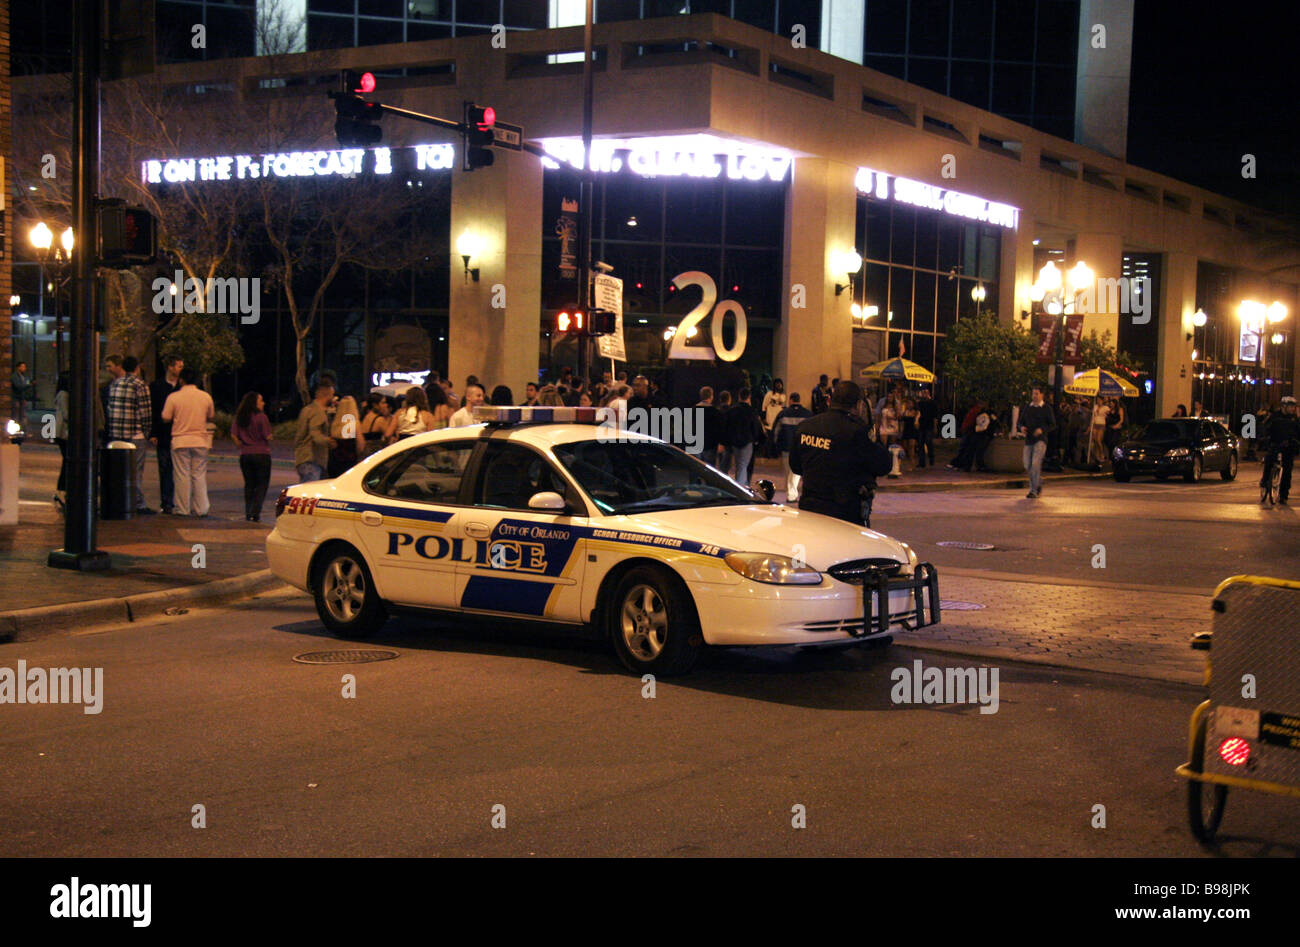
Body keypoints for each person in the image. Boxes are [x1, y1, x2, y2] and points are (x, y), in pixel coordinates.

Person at [789, 381, 893, 526]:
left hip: (810, 508)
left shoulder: (806, 426)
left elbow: (796, 466)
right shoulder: (858, 431)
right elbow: (884, 465)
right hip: (844, 512)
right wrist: (872, 432)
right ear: (858, 405)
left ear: (830, 400)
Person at [105, 355, 155, 515]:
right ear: (137, 368)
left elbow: (110, 408)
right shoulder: (140, 385)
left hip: (117, 433)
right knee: (136, 471)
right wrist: (147, 432)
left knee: (120, 471)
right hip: (135, 434)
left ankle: (120, 500)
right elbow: (146, 412)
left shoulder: (115, 384)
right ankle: (138, 503)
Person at [161, 368, 214, 516]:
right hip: (200, 440)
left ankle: (182, 508)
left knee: (181, 474)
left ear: (181, 380)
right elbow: (211, 415)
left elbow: (166, 416)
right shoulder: (205, 397)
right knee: (199, 474)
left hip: (180, 439)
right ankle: (201, 508)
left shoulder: (174, 397)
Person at [232, 391, 273, 522]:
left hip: (245, 454)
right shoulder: (261, 417)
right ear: (254, 403)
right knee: (262, 484)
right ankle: (255, 511)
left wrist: (240, 443)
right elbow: (268, 436)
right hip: (262, 453)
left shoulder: (240, 417)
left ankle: (248, 511)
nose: (263, 403)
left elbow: (234, 434)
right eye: (261, 401)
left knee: (249, 484)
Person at [149, 355, 183, 514]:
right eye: (178, 366)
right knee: (164, 468)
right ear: (170, 367)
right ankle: (166, 502)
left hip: (179, 432)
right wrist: (153, 432)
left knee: (179, 470)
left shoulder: (182, 387)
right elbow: (154, 411)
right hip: (163, 433)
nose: (180, 369)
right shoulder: (157, 386)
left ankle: (177, 500)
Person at [294, 379, 337, 482]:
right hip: (312, 460)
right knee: (310, 494)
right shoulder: (318, 412)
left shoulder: (307, 410)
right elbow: (316, 435)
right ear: (326, 394)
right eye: (332, 395)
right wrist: (329, 441)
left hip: (303, 458)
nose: (333, 398)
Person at [1018, 385, 1056, 498]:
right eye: (1033, 393)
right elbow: (1020, 422)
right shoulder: (1027, 407)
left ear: (1041, 395)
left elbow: (1053, 424)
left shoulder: (1046, 408)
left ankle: (1033, 490)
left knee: (1035, 464)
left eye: (1036, 394)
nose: (1034, 396)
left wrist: (1042, 430)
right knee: (1027, 464)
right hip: (1029, 439)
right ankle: (1038, 482)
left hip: (1040, 440)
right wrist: (1021, 428)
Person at [1260, 395, 1300, 505]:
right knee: (1269, 461)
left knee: (1287, 470)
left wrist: (1295, 441)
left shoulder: (1294, 419)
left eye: (1294, 407)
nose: (1293, 409)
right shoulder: (1275, 416)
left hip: (1289, 446)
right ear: (1284, 406)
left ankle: (1284, 495)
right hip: (1275, 443)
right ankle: (1265, 481)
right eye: (1291, 406)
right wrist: (1265, 438)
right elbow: (1265, 428)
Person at [774, 392, 811, 501]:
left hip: (786, 446)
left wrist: (776, 444)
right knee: (796, 472)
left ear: (790, 400)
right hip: (801, 447)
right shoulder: (807, 414)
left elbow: (776, 431)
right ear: (799, 400)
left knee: (788, 471)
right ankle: (791, 493)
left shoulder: (783, 414)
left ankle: (791, 494)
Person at [723, 387, 763, 486]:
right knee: (743, 466)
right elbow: (755, 426)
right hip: (747, 441)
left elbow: (727, 426)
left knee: (739, 465)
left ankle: (741, 485)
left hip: (735, 442)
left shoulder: (732, 410)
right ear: (749, 397)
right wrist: (756, 439)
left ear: (739, 396)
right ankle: (741, 488)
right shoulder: (751, 411)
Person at [327, 394, 363, 478]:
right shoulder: (354, 424)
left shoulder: (335, 424)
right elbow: (360, 445)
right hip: (349, 462)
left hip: (334, 462)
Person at [52, 372, 70, 511]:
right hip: (63, 433)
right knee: (67, 461)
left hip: (62, 432)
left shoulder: (61, 394)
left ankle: (62, 491)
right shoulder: (64, 394)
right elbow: (66, 414)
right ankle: (61, 491)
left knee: (67, 461)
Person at [697, 387, 723, 468]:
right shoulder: (715, 412)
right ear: (711, 396)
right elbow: (719, 429)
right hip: (710, 444)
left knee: (696, 468)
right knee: (709, 468)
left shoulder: (693, 410)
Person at [359, 393, 391, 458]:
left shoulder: (363, 418)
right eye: (383, 403)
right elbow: (388, 436)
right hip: (376, 455)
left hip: (364, 455)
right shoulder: (380, 420)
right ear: (375, 405)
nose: (386, 405)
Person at [915, 388, 938, 468]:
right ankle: (922, 462)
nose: (924, 394)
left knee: (928, 442)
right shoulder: (920, 403)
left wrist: (935, 427)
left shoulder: (932, 403)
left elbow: (935, 416)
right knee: (920, 444)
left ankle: (931, 457)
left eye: (926, 392)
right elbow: (918, 412)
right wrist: (917, 421)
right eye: (923, 392)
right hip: (922, 425)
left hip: (929, 425)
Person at [1089, 397, 1110, 464]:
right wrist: (1091, 425)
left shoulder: (1106, 408)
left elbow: (1108, 415)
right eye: (1097, 400)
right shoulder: (1095, 407)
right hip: (1095, 424)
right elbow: (1093, 416)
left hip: (1101, 424)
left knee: (1098, 440)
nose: (1098, 401)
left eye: (1100, 400)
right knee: (1094, 440)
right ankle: (1096, 455)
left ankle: (1102, 454)